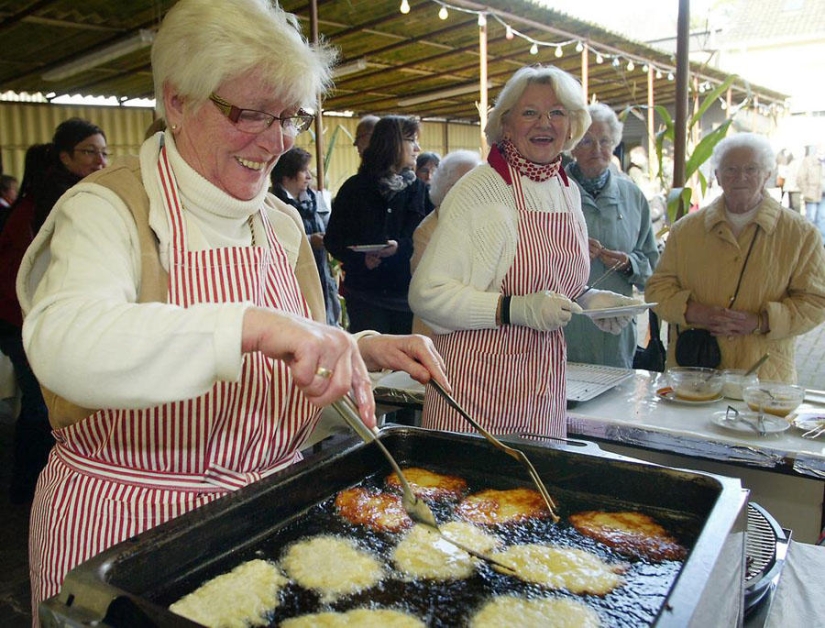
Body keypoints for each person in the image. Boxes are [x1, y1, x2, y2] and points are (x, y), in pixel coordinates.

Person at [18, 0, 448, 614]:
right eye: (249, 113)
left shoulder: (280, 222)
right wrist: (247, 324)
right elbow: (64, 342)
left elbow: (292, 344)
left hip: (256, 517)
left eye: (289, 117)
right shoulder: (109, 206)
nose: (274, 141)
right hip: (124, 532)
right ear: (176, 101)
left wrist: (357, 348)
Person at [409, 65, 635, 438]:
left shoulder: (566, 190)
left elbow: (551, 286)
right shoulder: (482, 190)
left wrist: (589, 300)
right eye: (530, 112)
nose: (544, 123)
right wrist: (518, 309)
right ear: (507, 123)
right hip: (475, 395)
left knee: (534, 494)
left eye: (557, 113)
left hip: (544, 391)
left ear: (572, 126)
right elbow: (426, 295)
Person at [645, 133, 825, 382]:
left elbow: (816, 302)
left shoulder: (801, 234)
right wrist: (693, 312)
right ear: (717, 176)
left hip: (764, 378)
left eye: (751, 169)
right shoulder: (685, 230)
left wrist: (761, 321)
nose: (741, 177)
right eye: (730, 169)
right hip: (693, 374)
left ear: (767, 175)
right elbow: (656, 290)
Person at [0, 119, 108, 505]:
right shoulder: (51, 204)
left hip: (43, 320)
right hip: (25, 323)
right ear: (64, 157)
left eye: (104, 152)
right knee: (39, 406)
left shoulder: (79, 195)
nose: (100, 160)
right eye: (89, 152)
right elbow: (29, 276)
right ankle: (27, 490)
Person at [564, 103, 659, 368]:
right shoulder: (553, 193)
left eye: (604, 140)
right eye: (586, 141)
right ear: (571, 146)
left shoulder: (632, 196)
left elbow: (652, 265)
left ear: (615, 143)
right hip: (564, 333)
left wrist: (630, 264)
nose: (597, 149)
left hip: (615, 335)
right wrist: (571, 250)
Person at [325, 115, 433, 334]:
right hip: (365, 298)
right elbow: (333, 240)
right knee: (373, 366)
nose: (417, 148)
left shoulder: (419, 191)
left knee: (407, 365)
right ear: (392, 143)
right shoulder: (354, 189)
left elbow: (432, 239)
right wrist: (361, 258)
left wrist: (400, 248)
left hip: (408, 299)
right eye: (411, 140)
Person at [410, 149, 482, 335]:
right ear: (449, 188)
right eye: (472, 182)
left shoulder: (481, 220)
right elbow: (429, 289)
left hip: (475, 331)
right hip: (438, 333)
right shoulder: (428, 230)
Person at [271, 147, 341, 326]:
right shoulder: (274, 206)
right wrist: (309, 241)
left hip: (322, 274)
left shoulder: (312, 200)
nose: (309, 176)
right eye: (304, 171)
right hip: (295, 282)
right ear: (287, 174)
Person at [796, 144, 825, 239]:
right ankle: (807, 240)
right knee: (810, 218)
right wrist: (806, 191)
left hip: (823, 195)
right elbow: (800, 177)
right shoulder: (808, 161)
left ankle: (821, 243)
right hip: (811, 194)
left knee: (822, 219)